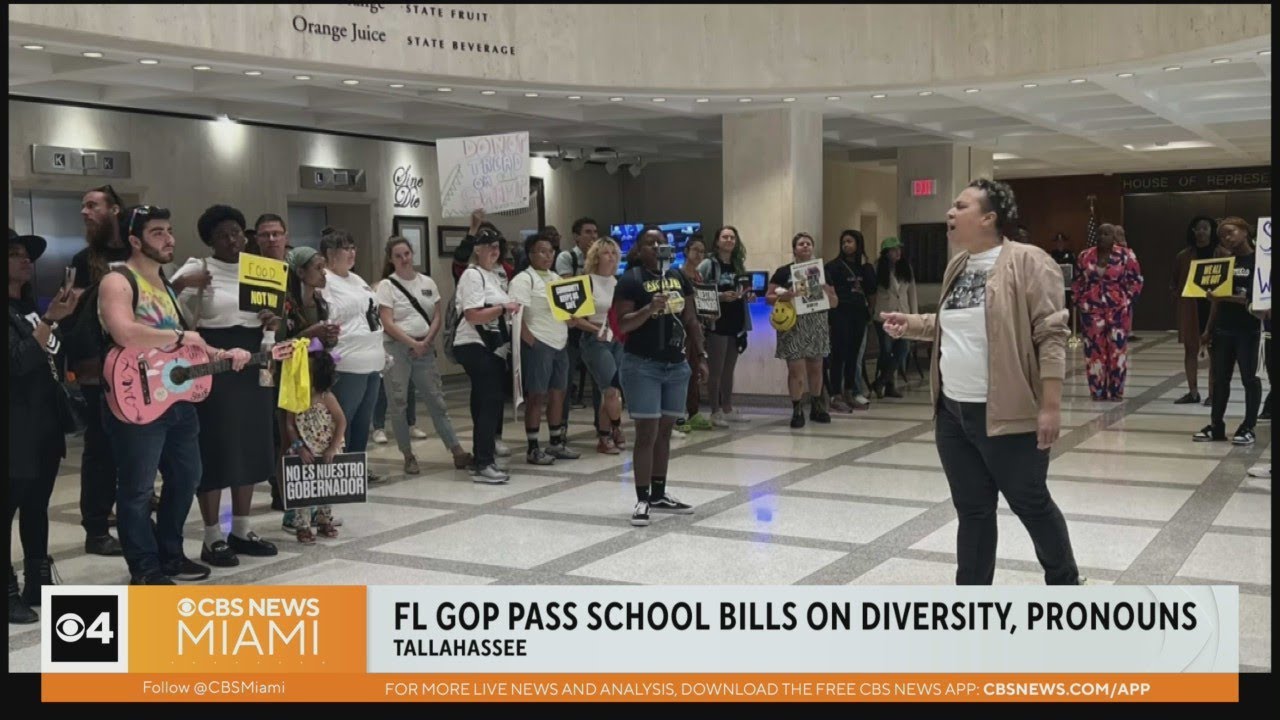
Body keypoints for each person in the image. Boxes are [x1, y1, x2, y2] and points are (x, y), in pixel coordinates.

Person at [883, 178, 1080, 586]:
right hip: (953, 413)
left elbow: (1051, 333)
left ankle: (1064, 583)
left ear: (989, 217)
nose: (950, 213)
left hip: (1009, 414)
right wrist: (914, 324)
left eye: (961, 206)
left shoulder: (1029, 261)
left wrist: (1051, 405)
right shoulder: (958, 264)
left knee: (1031, 503)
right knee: (972, 510)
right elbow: (959, 326)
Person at [100, 205, 253, 585]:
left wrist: (222, 355)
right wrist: (182, 337)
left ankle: (170, 553)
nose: (169, 238)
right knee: (136, 489)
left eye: (169, 230)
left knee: (187, 477)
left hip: (175, 397)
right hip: (136, 398)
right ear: (135, 240)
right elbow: (124, 332)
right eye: (157, 232)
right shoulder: (119, 281)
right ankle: (145, 568)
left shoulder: (166, 286)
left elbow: (186, 346)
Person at [170, 206, 281, 569]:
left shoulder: (260, 270)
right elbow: (166, 307)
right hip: (213, 359)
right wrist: (183, 285)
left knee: (250, 443)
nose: (232, 240)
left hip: (252, 359)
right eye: (223, 235)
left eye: (237, 232)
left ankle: (243, 529)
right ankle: (212, 534)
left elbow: (271, 320)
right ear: (210, 240)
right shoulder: (197, 268)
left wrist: (271, 322)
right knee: (216, 445)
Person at [9, 229, 81, 623]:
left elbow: (49, 356)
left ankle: (38, 578)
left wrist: (58, 320)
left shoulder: (27, 308)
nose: (25, 261)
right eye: (15, 254)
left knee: (37, 505)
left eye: (27, 255)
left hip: (43, 423)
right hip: (15, 426)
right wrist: (49, 320)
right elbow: (18, 361)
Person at [615, 226, 707, 526]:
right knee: (647, 433)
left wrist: (701, 355)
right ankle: (642, 499)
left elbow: (691, 318)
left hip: (676, 364)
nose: (656, 247)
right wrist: (649, 308)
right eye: (649, 243)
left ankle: (659, 493)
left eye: (661, 243)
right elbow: (624, 325)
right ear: (639, 250)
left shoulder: (679, 277)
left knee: (666, 432)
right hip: (643, 364)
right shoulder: (630, 280)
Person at [65, 185, 130, 556]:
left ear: (115, 211)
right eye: (82, 206)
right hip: (98, 370)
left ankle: (134, 515)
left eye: (92, 205)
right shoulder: (82, 258)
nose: (84, 212)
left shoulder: (139, 253)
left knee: (137, 448)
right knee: (100, 449)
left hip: (141, 368)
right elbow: (70, 319)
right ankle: (97, 527)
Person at [376, 236, 472, 474]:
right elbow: (387, 322)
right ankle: (408, 454)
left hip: (425, 348)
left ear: (413, 254)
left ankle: (456, 450)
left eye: (406, 254)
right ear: (391, 259)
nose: (404, 259)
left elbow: (437, 315)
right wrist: (411, 343)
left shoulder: (427, 282)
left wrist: (426, 341)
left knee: (436, 400)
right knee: (398, 403)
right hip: (397, 349)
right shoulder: (387, 286)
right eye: (398, 256)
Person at [278, 246, 342, 531]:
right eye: (317, 267)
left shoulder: (321, 301)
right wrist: (311, 333)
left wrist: (328, 337)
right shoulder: (286, 304)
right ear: (301, 272)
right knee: (291, 438)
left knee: (318, 434)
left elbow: (321, 344)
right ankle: (292, 507)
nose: (323, 272)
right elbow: (282, 343)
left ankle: (317, 503)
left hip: (315, 375)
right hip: (290, 377)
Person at [319, 227, 386, 482]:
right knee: (342, 418)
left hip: (372, 359)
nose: (351, 252)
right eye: (344, 248)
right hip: (346, 361)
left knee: (363, 419)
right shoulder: (325, 281)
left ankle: (357, 467)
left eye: (352, 247)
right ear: (329, 253)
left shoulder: (356, 280)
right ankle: (336, 468)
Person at [454, 228, 519, 482]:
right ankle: (483, 463)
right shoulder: (472, 275)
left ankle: (482, 457)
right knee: (490, 401)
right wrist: (503, 308)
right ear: (477, 250)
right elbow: (472, 314)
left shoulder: (492, 276)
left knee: (483, 402)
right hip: (474, 344)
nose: (494, 251)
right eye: (488, 246)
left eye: (497, 247)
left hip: (491, 347)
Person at [511, 232, 581, 465]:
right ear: (530, 254)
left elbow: (567, 312)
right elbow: (516, 315)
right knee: (537, 395)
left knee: (559, 393)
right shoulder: (523, 279)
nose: (548, 255)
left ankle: (556, 442)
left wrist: (573, 319)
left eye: (551, 251)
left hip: (560, 342)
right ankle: (532, 447)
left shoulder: (557, 279)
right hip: (539, 343)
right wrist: (530, 341)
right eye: (542, 251)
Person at [1193, 217, 1263, 446]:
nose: (1227, 238)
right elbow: (1216, 300)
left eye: (1231, 232)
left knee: (1249, 379)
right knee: (1219, 379)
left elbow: (1253, 299)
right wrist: (1208, 329)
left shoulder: (1259, 262)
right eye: (1222, 236)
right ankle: (1216, 425)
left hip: (1249, 330)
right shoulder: (1226, 261)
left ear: (1245, 230)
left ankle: (1248, 426)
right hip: (1223, 329)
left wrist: (1222, 297)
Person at [767, 232, 837, 428]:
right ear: (794, 249)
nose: (805, 246)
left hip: (816, 322)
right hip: (793, 324)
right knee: (796, 370)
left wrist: (825, 290)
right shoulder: (783, 272)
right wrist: (786, 295)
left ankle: (816, 405)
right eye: (801, 244)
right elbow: (768, 297)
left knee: (816, 367)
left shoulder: (822, 272)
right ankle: (797, 408)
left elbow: (834, 301)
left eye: (808, 243)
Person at [1072, 223, 1144, 401]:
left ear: (1114, 237)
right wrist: (1080, 301)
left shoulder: (1126, 255)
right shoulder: (1085, 255)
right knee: (1094, 352)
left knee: (1117, 350)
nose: (1102, 237)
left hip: (1118, 310)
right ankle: (1097, 390)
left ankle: (1116, 390)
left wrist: (1126, 300)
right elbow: (1077, 281)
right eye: (1100, 233)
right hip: (1092, 311)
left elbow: (1136, 281)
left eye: (1107, 234)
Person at [570, 237, 628, 453]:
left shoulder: (619, 282)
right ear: (596, 257)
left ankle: (605, 436)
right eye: (606, 253)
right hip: (595, 340)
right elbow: (575, 318)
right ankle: (616, 427)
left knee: (610, 390)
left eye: (614, 253)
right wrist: (597, 330)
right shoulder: (585, 282)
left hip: (618, 339)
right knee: (611, 389)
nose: (611, 257)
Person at [281, 348, 345, 543]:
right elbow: (289, 424)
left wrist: (333, 447)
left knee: (327, 487)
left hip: (326, 449)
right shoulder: (296, 398)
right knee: (303, 490)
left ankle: (325, 520)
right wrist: (299, 446)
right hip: (305, 449)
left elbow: (341, 421)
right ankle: (303, 525)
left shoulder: (327, 397)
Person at [697, 225, 751, 427]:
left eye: (732, 238)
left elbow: (743, 288)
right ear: (717, 241)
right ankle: (714, 411)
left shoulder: (738, 265)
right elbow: (697, 290)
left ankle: (727, 407)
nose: (729, 240)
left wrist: (748, 295)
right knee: (716, 370)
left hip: (736, 321)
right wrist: (720, 296)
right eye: (725, 237)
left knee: (729, 369)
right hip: (716, 322)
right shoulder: (708, 264)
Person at [555, 217, 601, 437]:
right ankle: (561, 427)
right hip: (572, 327)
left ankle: (603, 426)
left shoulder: (602, 258)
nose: (593, 236)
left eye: (595, 232)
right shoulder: (567, 257)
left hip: (594, 324)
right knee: (565, 380)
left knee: (601, 379)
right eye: (588, 232)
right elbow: (569, 287)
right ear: (576, 236)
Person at [825, 229, 877, 412]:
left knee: (853, 355)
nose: (846, 245)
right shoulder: (833, 266)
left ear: (858, 244)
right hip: (840, 313)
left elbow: (871, 291)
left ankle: (849, 392)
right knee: (839, 354)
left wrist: (870, 312)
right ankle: (835, 394)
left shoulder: (865, 267)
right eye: (843, 242)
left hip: (859, 313)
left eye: (850, 241)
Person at [1171, 216, 1218, 404]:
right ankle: (1193, 392)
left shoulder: (1221, 253)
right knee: (1190, 350)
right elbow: (1174, 283)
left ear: (1211, 231)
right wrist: (1179, 298)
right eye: (1197, 228)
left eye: (1205, 228)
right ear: (1193, 231)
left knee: (1215, 353)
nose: (1201, 232)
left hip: (1214, 307)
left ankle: (1214, 394)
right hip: (1191, 309)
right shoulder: (1183, 256)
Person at [673, 234, 714, 433]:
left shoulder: (700, 277)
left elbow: (706, 303)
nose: (699, 254)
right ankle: (677, 414)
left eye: (702, 251)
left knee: (695, 370)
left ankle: (694, 411)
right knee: (681, 371)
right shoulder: (677, 274)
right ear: (686, 251)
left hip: (699, 329)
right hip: (682, 330)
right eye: (695, 250)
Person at [872, 237, 918, 399]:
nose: (897, 253)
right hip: (884, 315)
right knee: (886, 351)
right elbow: (874, 293)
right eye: (893, 250)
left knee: (903, 349)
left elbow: (912, 294)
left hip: (903, 314)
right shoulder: (878, 268)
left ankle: (881, 381)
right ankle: (888, 384)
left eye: (899, 249)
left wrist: (914, 316)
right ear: (886, 253)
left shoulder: (906, 268)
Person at [1049, 232, 1078, 336]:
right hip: (1056, 286)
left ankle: (1069, 326)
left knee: (1068, 306)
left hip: (1068, 286)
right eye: (1058, 242)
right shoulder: (1052, 254)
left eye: (1062, 241)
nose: (1060, 243)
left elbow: (1074, 268)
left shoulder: (1070, 254)